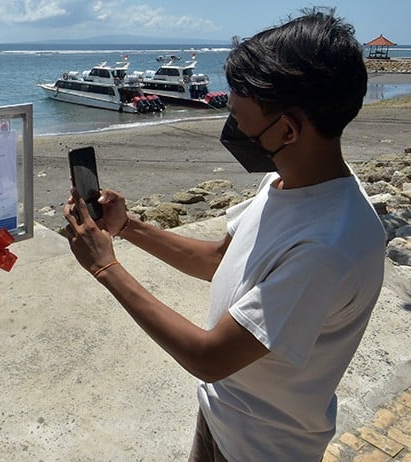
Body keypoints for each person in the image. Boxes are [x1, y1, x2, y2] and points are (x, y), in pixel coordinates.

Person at [62, 8, 385, 461]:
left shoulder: (327, 249)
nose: (233, 126)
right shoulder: (287, 181)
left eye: (238, 115)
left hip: (260, 447)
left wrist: (105, 267)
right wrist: (128, 228)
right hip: (224, 417)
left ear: (287, 129)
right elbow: (219, 260)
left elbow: (209, 357)